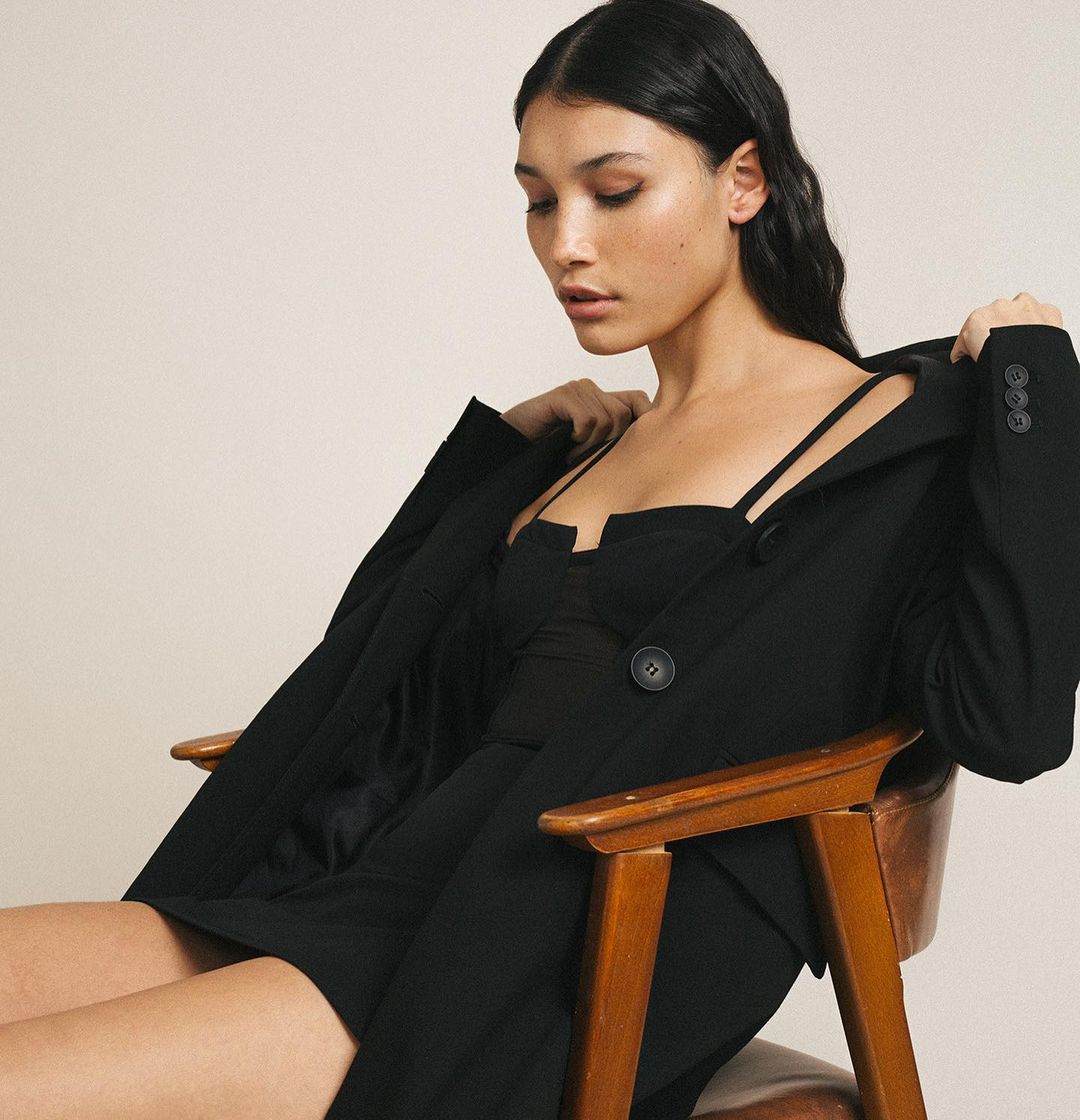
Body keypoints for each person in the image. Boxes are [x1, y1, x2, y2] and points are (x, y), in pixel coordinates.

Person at [2, 1, 1075, 1117]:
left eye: (615, 191)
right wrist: (489, 467)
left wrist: (1032, 383)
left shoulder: (883, 439)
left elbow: (1012, 720)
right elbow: (370, 681)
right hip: (361, 899)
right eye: (539, 200)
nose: (567, 242)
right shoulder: (586, 450)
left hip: (531, 967)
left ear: (743, 181)